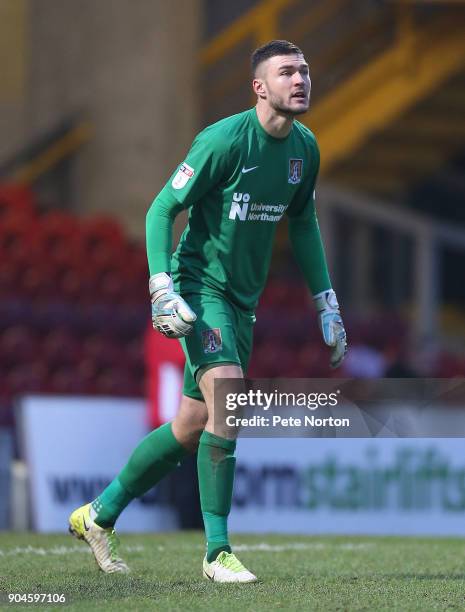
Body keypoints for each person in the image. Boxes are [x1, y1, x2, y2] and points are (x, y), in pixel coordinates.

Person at [68, 39, 347, 583]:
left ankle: (97, 515)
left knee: (193, 423)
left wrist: (327, 303)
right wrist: (161, 286)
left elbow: (305, 226)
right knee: (231, 396)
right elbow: (161, 209)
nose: (301, 80)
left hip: (244, 301)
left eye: (305, 71)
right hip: (200, 288)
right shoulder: (223, 141)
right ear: (259, 87)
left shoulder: (305, 150)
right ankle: (217, 551)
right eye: (287, 71)